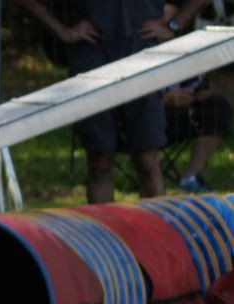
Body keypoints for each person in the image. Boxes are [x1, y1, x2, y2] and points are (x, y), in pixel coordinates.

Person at [14, 0, 212, 202]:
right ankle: (103, 231)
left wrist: (174, 25)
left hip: (143, 54)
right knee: (100, 159)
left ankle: (155, 230)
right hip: (92, 55)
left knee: (147, 157)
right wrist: (63, 30)